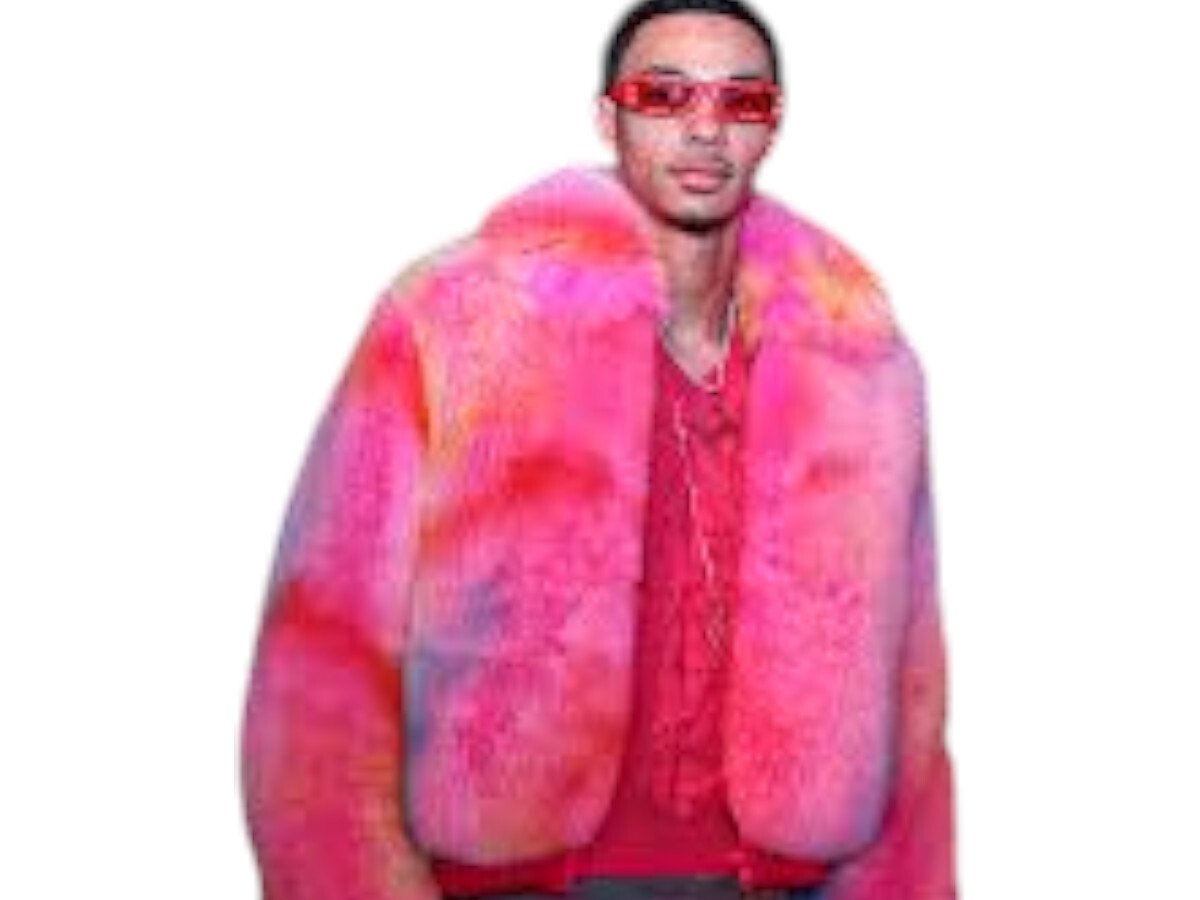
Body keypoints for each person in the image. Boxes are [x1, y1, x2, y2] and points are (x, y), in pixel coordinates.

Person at [240, 2, 956, 898]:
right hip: (520, 885)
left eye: (741, 101)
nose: (705, 128)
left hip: (774, 886)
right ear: (607, 117)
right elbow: (324, 666)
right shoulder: (459, 326)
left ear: (772, 127)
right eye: (665, 94)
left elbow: (911, 699)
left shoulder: (857, 366)